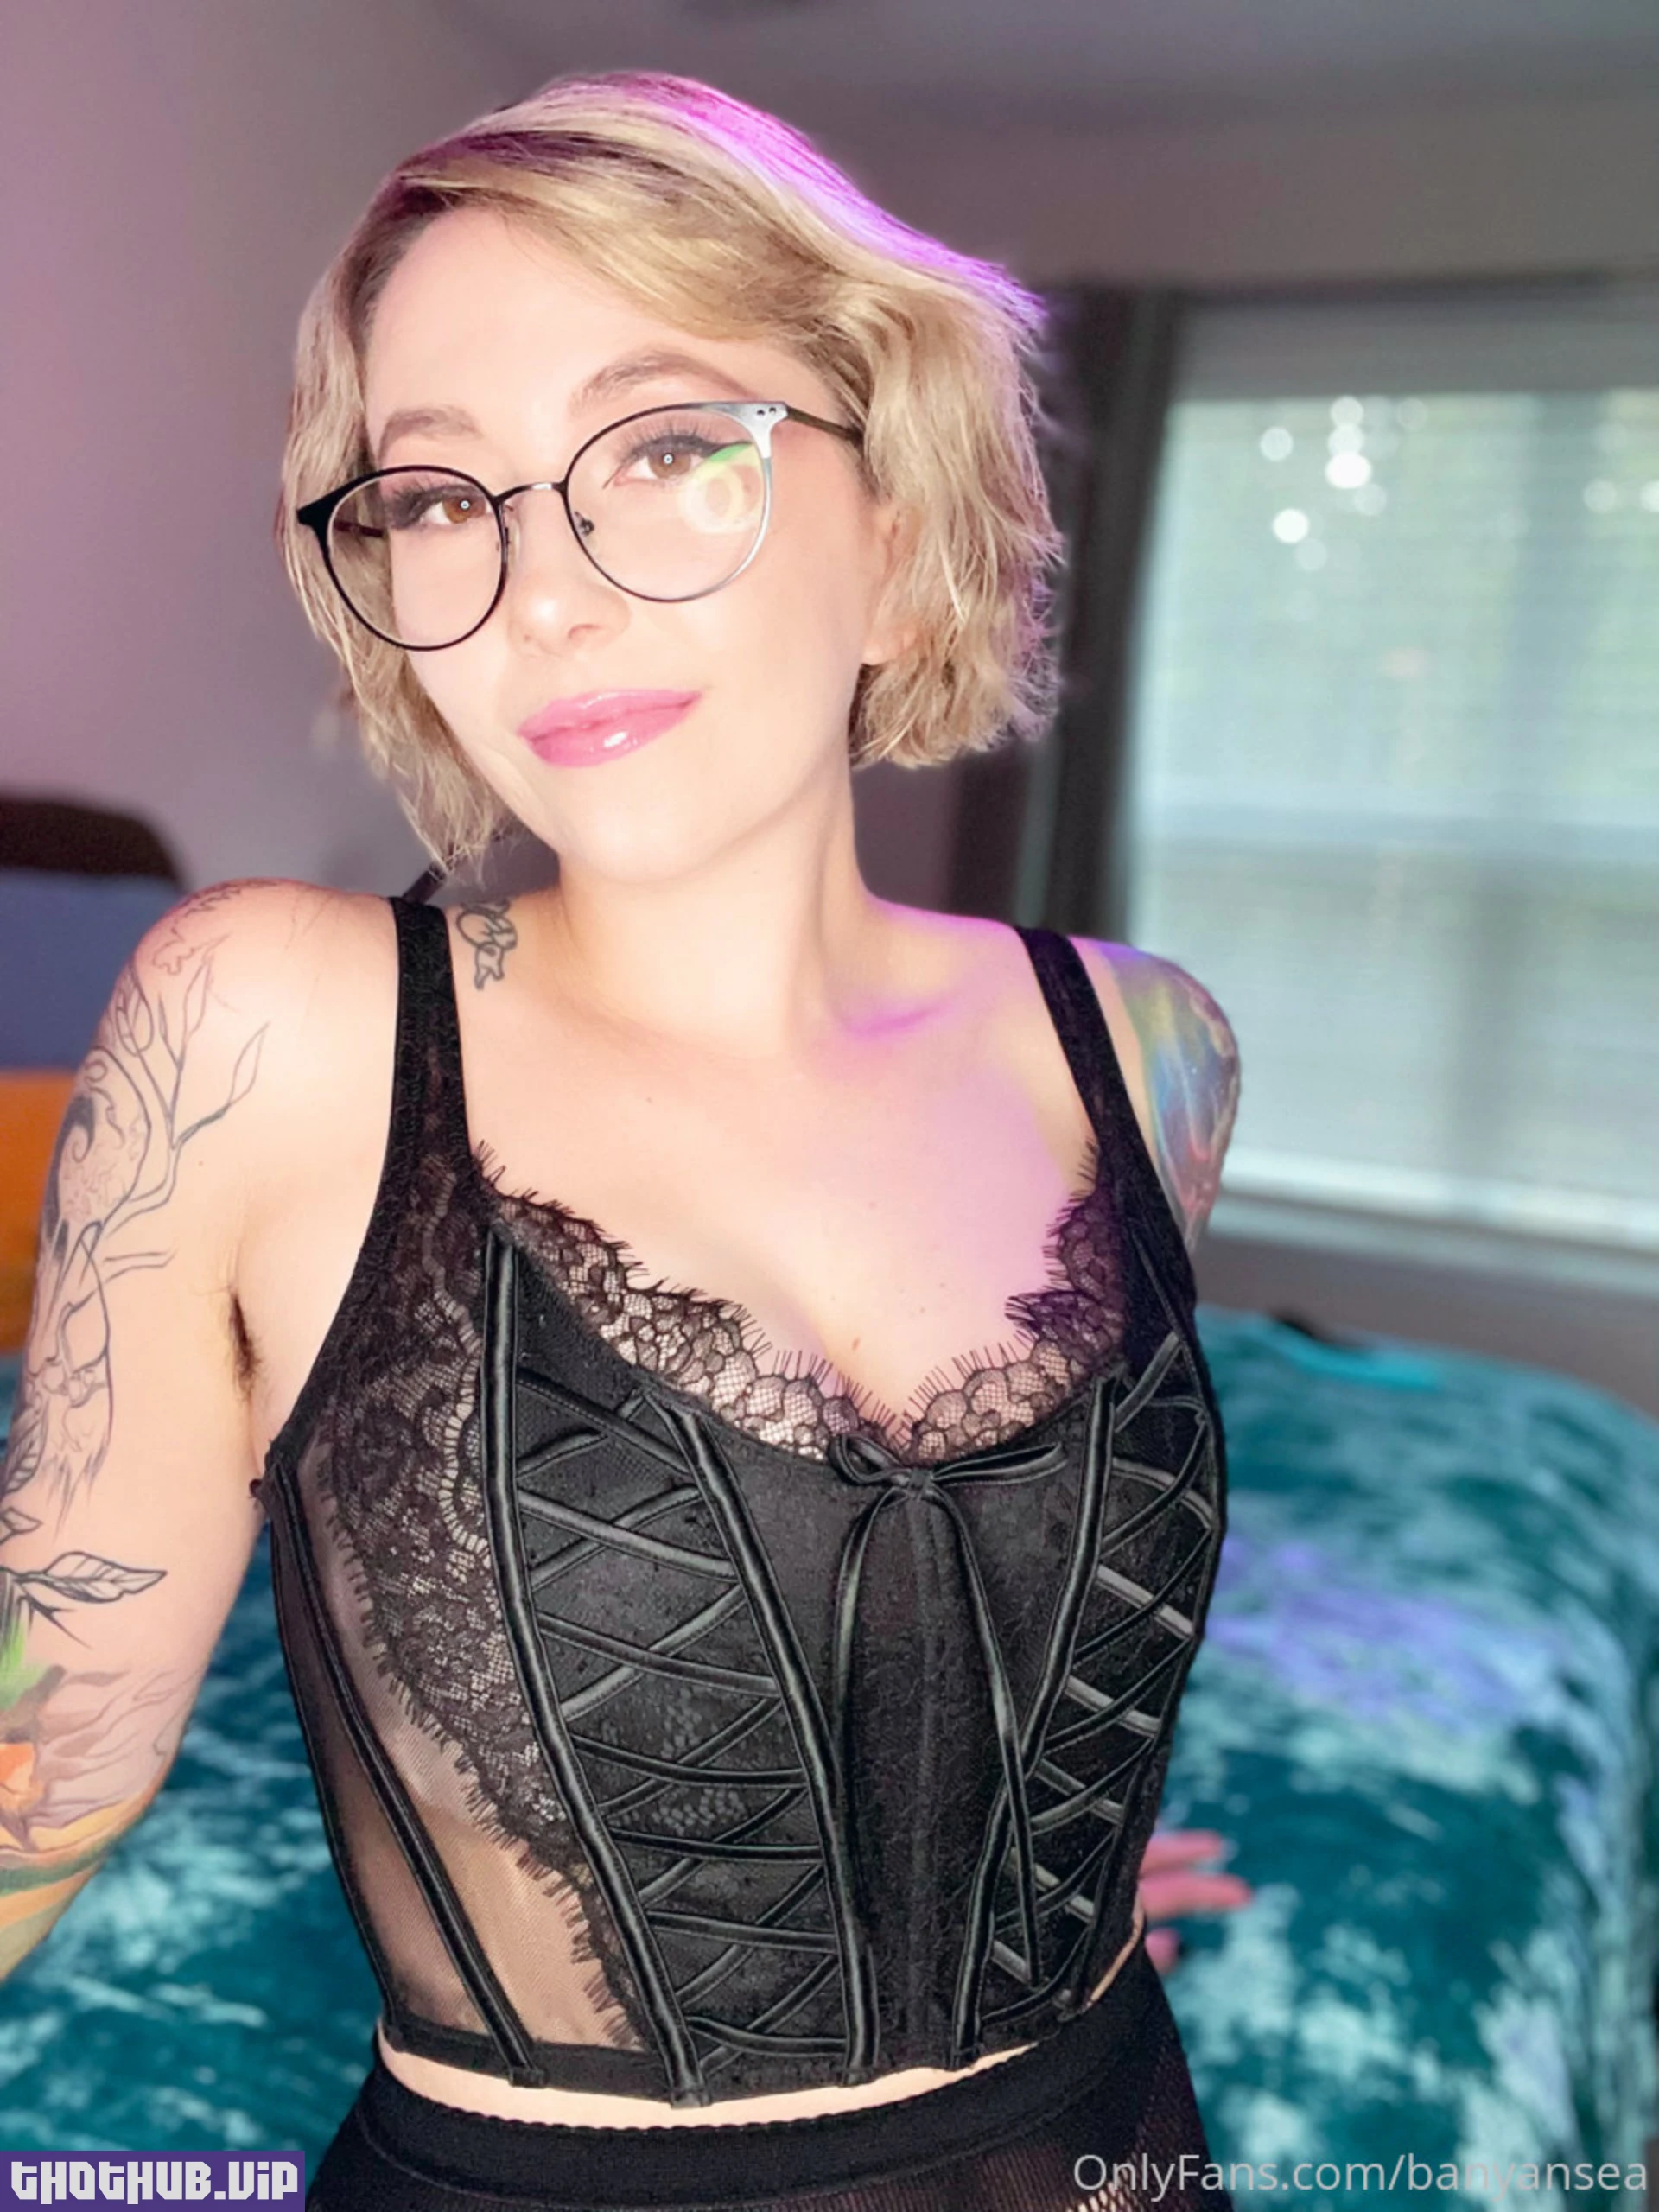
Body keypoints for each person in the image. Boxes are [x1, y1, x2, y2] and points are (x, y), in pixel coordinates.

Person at [0, 69, 1250, 2212]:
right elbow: (41, 1762)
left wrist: (1046, 1848)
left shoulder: (1148, 1047)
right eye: (437, 495)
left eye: (667, 449)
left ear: (900, 526)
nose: (540, 596)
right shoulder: (273, 1022)